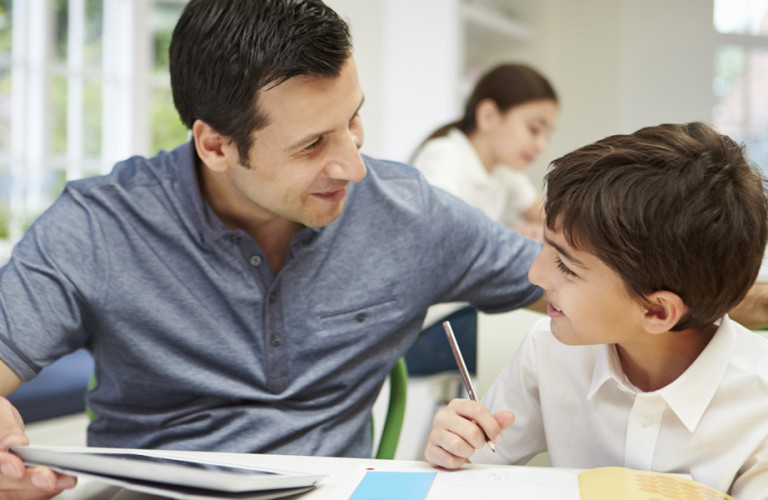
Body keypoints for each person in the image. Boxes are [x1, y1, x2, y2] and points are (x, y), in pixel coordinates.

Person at [0, 0, 546, 497]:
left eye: (353, 119)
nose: (354, 167)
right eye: (312, 144)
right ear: (216, 146)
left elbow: (574, 282)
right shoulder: (98, 226)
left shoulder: (410, 212)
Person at [424, 122, 768, 499]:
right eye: (547, 245)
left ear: (656, 312)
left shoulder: (757, 403)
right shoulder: (547, 350)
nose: (535, 274)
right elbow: (474, 473)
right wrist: (455, 447)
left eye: (567, 267)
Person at [406, 64, 557, 377]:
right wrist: (513, 237)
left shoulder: (505, 174)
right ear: (488, 116)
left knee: (553, 325)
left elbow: (556, 225)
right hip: (424, 324)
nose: (541, 145)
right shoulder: (444, 156)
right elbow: (445, 236)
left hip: (466, 311)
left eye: (547, 134)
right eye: (534, 129)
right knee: (535, 336)